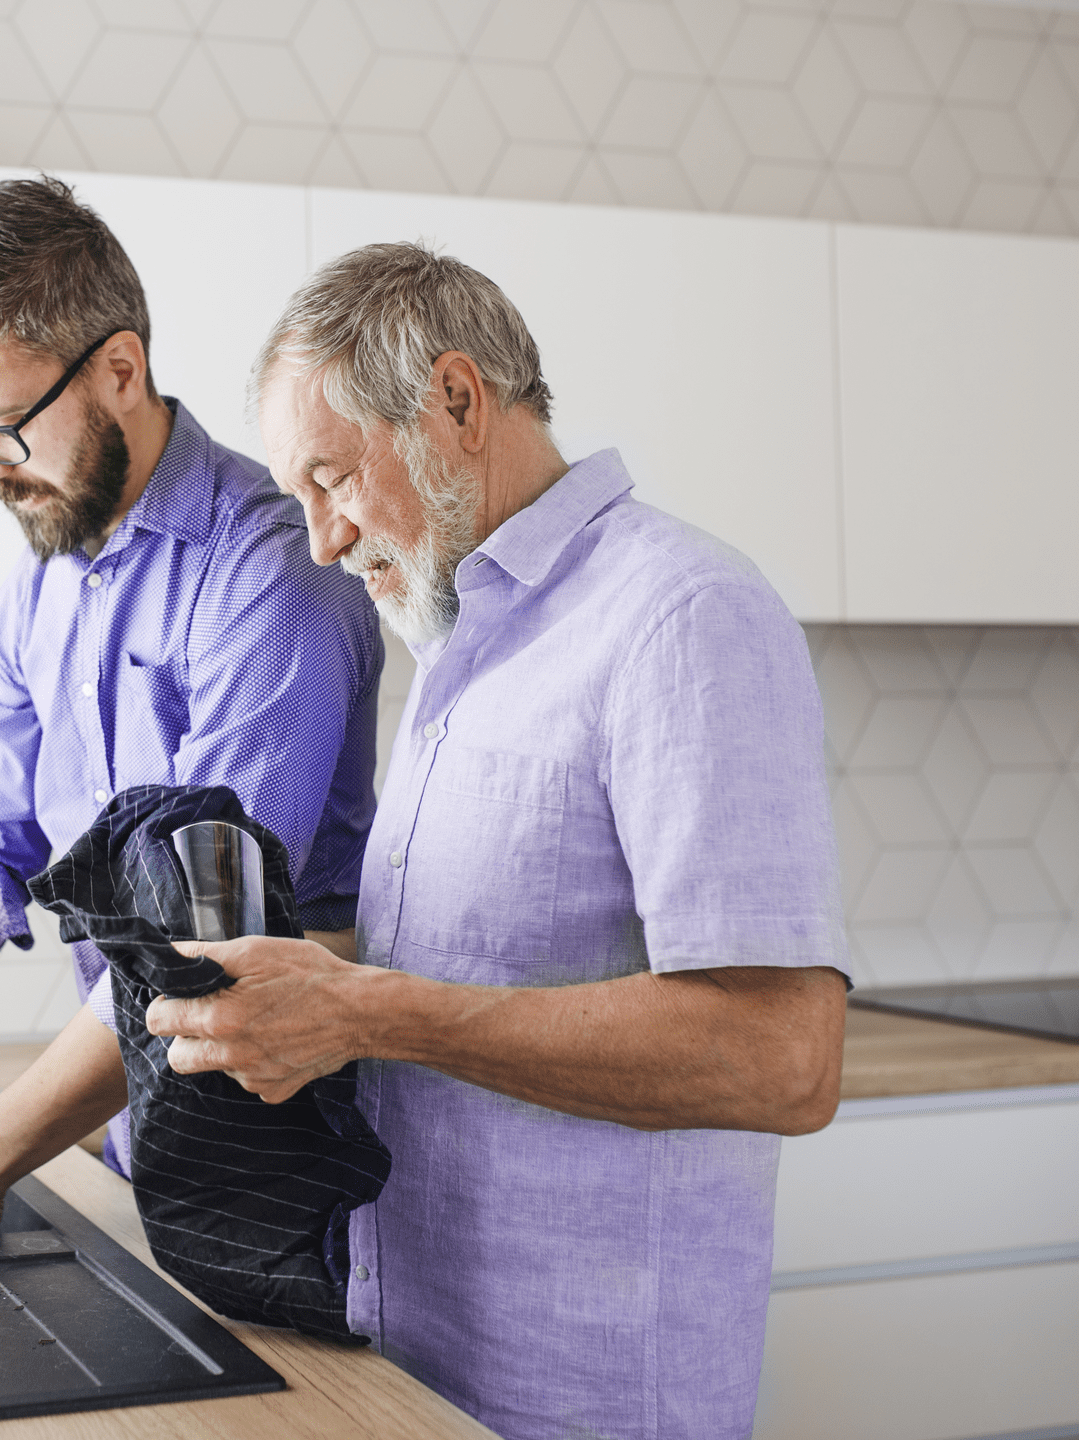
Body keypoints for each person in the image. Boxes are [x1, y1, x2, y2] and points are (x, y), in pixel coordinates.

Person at [144, 243, 850, 1440]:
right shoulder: (456, 641)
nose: (319, 540)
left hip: (594, 1397)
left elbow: (783, 1055)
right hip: (419, 1365)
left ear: (456, 403)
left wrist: (368, 1011)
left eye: (331, 478)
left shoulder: (681, 617)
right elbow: (487, 960)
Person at [0, 177, 383, 1205]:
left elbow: (199, 937)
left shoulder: (269, 574)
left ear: (120, 369)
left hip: (291, 1166)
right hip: (147, 1133)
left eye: (1, 428)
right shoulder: (36, 590)